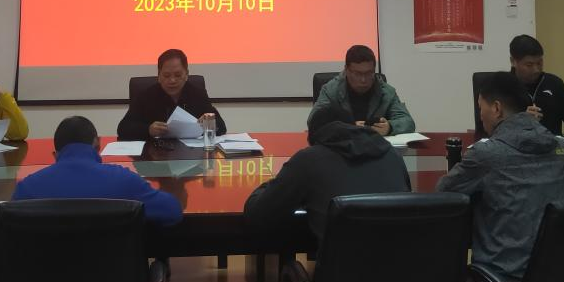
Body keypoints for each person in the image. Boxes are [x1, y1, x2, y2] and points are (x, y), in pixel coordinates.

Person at [438, 71, 564, 282]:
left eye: (481, 108)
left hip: (502, 281)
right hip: (557, 280)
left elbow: (443, 196)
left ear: (496, 109)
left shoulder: (486, 155)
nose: (481, 116)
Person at [244, 104, 411, 244]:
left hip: (345, 271)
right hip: (403, 269)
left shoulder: (309, 159)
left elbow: (259, 215)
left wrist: (272, 184)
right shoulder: (392, 154)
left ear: (315, 138)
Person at [5, 116, 181, 229]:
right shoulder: (124, 180)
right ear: (98, 145)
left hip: (45, 278)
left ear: (55, 155)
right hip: (116, 277)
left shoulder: (27, 189)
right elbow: (172, 211)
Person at [116, 49, 226, 141]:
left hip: (191, 155)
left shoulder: (198, 93)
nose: (172, 80)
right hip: (155, 155)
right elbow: (123, 128)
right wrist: (148, 129)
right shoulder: (146, 96)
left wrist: (209, 124)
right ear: (159, 76)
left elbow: (221, 127)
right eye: (166, 75)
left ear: (186, 75)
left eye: (178, 75)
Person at [308, 45, 415, 135]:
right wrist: (348, 126)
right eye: (357, 74)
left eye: (369, 73)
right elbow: (313, 121)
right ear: (346, 70)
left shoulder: (386, 92)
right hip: (341, 148)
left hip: (375, 148)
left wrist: (390, 127)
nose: (363, 80)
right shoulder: (331, 90)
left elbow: (408, 122)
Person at [508, 35, 564, 136]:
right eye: (529, 65)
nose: (536, 69)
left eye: (539, 63)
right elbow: (495, 127)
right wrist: (520, 120)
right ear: (513, 61)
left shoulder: (554, 83)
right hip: (513, 143)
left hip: (552, 143)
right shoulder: (501, 86)